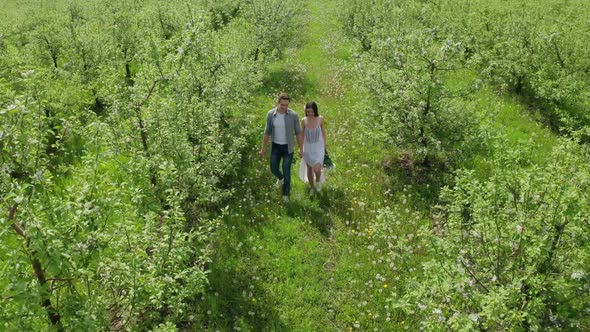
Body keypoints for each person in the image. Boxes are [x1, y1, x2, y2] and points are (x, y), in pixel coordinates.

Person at [259, 93, 303, 203]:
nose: (284, 107)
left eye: (286, 105)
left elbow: (298, 133)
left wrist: (301, 148)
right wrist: (263, 148)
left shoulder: (293, 115)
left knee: (286, 170)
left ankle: (286, 194)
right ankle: (280, 178)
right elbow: (266, 132)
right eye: (282, 105)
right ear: (278, 103)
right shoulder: (271, 114)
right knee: (273, 168)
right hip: (275, 146)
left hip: (288, 147)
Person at [299, 101, 326, 196]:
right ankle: (311, 187)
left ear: (315, 111)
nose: (310, 113)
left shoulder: (320, 119)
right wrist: (300, 148)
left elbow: (324, 133)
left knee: (317, 169)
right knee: (309, 168)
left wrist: (325, 146)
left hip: (318, 147)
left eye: (312, 111)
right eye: (308, 111)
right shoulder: (304, 121)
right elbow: (301, 135)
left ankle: (318, 181)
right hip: (308, 147)